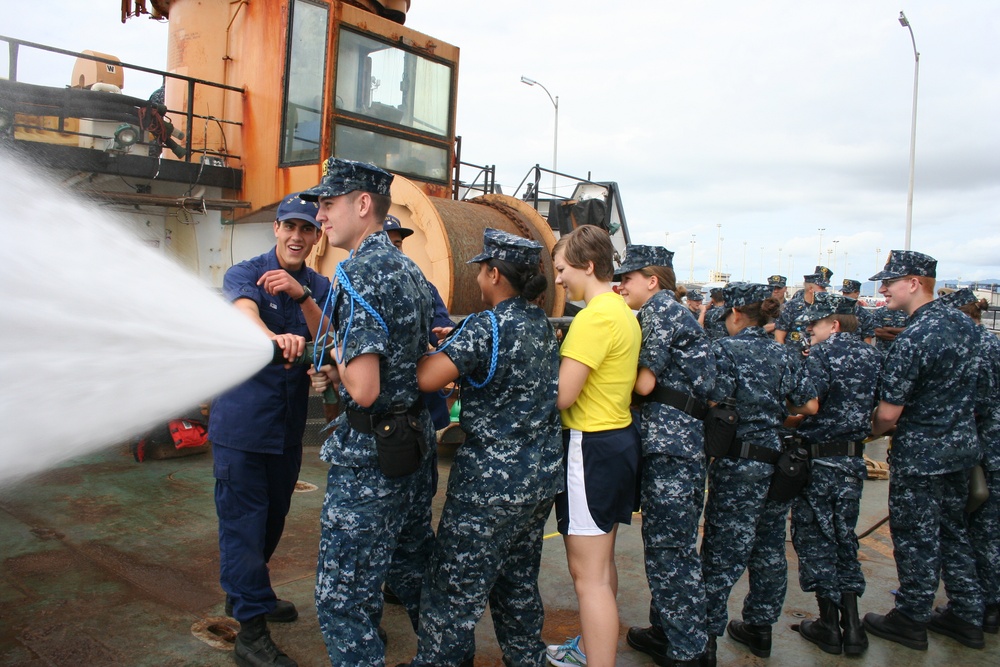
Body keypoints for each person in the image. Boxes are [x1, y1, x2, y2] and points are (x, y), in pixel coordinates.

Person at [407, 228, 563, 667]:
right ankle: (526, 657)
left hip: (489, 486)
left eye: (481, 269)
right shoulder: (539, 324)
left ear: (495, 274)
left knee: (452, 587)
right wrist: (453, 343)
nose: (478, 277)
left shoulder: (487, 325)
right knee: (517, 579)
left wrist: (428, 349)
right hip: (536, 480)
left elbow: (426, 379)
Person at [304, 158, 437, 666]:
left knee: (343, 599)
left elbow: (363, 389)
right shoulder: (410, 270)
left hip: (370, 457)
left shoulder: (356, 272)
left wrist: (337, 356)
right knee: (411, 568)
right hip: (411, 445)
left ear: (363, 205)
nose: (320, 216)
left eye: (329, 204)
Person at [208, 192, 331, 667]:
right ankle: (250, 633)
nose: (297, 237)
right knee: (243, 524)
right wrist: (274, 341)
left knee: (273, 518)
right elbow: (246, 312)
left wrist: (301, 298)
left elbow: (326, 338)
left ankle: (245, 594)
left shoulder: (317, 285)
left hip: (285, 429)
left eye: (307, 230)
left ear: (317, 236)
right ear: (276, 229)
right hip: (241, 426)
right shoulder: (245, 272)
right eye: (290, 228)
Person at [863, 251, 986, 651]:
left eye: (890, 282)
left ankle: (911, 617)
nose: (882, 289)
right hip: (961, 448)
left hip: (922, 453)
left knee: (916, 536)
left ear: (914, 283)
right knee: (953, 532)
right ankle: (968, 615)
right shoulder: (966, 328)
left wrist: (869, 433)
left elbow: (888, 412)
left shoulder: (916, 336)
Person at [701, 282, 817, 663]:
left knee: (723, 551)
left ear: (735, 314)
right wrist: (773, 413)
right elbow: (809, 405)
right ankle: (760, 628)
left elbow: (713, 398)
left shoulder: (726, 349)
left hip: (739, 464)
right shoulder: (784, 354)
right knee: (769, 548)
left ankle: (706, 638)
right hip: (777, 461)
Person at [545, 225, 642, 667]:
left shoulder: (593, 317)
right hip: (617, 442)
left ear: (588, 265)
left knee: (589, 579)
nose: (559, 279)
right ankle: (588, 649)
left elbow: (562, 396)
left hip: (590, 447)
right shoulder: (622, 311)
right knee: (602, 568)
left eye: (563, 269)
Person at [615, 245, 716, 667]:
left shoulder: (658, 312)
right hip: (686, 445)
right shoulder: (680, 313)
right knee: (674, 545)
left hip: (670, 448)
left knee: (669, 549)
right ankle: (667, 631)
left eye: (630, 277)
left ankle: (691, 651)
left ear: (652, 281)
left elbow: (642, 385)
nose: (621, 285)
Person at [788, 292, 881, 656]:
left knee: (814, 538)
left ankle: (829, 625)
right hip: (853, 461)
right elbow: (884, 410)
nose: (809, 330)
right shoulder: (873, 355)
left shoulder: (824, 354)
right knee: (845, 538)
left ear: (834, 324)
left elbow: (808, 403)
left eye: (815, 324)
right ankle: (854, 628)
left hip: (821, 461)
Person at [936, 287, 1000, 635]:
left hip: (982, 448)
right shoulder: (990, 343)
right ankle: (989, 603)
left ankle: (980, 606)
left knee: (977, 529)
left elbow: (974, 403)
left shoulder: (972, 347)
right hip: (989, 444)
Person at [774, 266, 832, 361]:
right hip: (793, 361)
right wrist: (785, 360)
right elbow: (779, 337)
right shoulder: (791, 307)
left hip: (819, 360)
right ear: (810, 289)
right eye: (822, 288)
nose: (824, 291)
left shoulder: (827, 308)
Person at [840, 279, 875, 345]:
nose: (844, 296)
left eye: (847, 293)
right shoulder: (836, 311)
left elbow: (867, 340)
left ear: (857, 293)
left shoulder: (865, 315)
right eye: (843, 293)